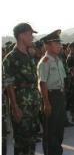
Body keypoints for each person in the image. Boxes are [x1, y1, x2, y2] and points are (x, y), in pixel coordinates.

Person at [2, 23, 41, 155]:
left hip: (33, 102)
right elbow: (9, 84)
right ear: (21, 35)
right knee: (21, 140)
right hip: (21, 103)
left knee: (32, 138)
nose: (32, 37)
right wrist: (15, 107)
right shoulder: (11, 58)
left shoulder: (29, 55)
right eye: (30, 34)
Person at [37, 29, 66, 155]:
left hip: (59, 95)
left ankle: (57, 152)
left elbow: (62, 79)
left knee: (59, 129)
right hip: (50, 96)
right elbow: (42, 83)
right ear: (47, 45)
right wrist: (46, 102)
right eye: (56, 43)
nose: (59, 46)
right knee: (50, 131)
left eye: (59, 43)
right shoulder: (45, 62)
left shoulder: (58, 60)